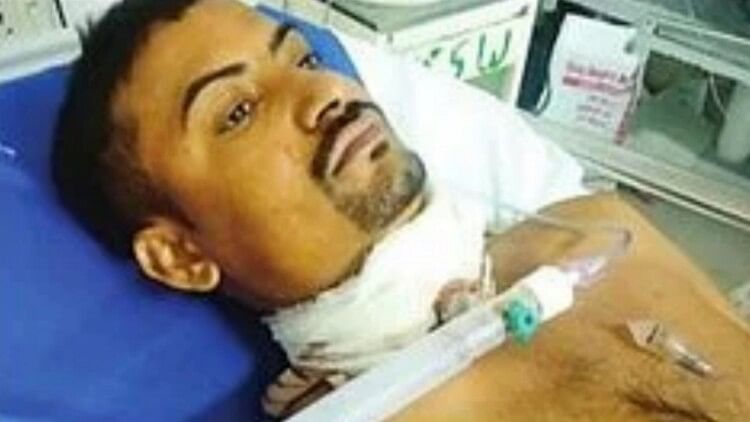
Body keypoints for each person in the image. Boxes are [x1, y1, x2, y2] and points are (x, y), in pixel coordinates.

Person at [53, 0, 750, 419]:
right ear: (179, 255)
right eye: (237, 112)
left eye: (302, 59)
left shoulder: (598, 229)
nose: (327, 91)